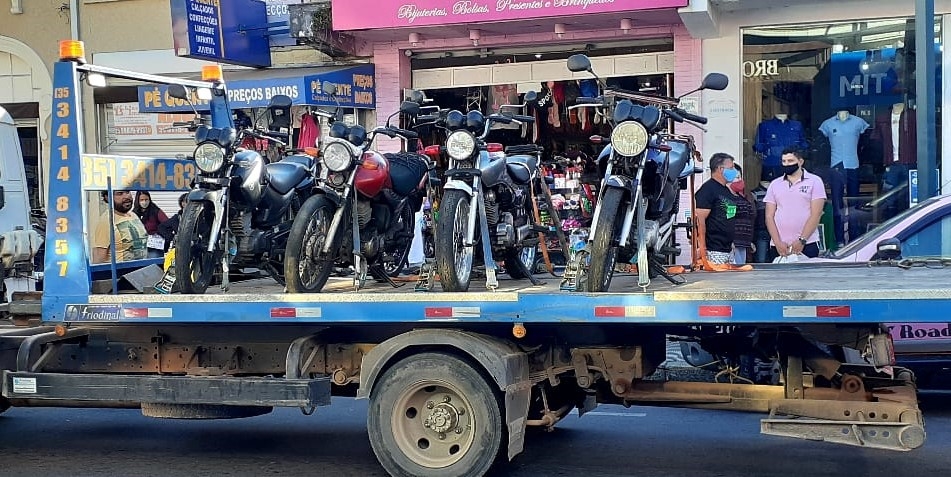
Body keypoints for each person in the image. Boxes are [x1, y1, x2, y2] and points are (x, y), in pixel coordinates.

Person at [764, 147, 827, 261]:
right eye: (784, 161)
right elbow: (769, 216)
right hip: (778, 246)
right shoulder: (775, 184)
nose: (787, 164)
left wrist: (802, 240)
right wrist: (777, 242)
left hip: (808, 243)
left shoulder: (814, 181)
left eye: (790, 161)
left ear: (801, 162)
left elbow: (816, 214)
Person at [695, 153, 739, 265]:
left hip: (728, 250)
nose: (734, 171)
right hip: (713, 250)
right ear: (720, 169)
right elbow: (699, 221)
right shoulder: (707, 190)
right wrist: (702, 247)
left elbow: (729, 218)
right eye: (731, 168)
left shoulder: (726, 191)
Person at [92, 190, 148, 264]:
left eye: (127, 192)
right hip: (120, 273)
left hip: (139, 271)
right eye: (120, 193)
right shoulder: (106, 222)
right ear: (108, 198)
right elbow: (98, 260)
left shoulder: (133, 215)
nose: (127, 196)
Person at [728, 164, 756, 265]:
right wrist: (729, 241)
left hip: (743, 243)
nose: (739, 180)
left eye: (740, 177)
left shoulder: (744, 197)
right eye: (736, 177)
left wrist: (749, 242)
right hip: (733, 244)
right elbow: (728, 220)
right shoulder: (729, 199)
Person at [133, 191, 169, 258]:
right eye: (142, 200)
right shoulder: (134, 213)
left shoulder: (156, 211)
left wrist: (159, 232)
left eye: (146, 199)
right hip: (139, 247)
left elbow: (167, 223)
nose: (144, 202)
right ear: (137, 201)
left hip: (154, 246)